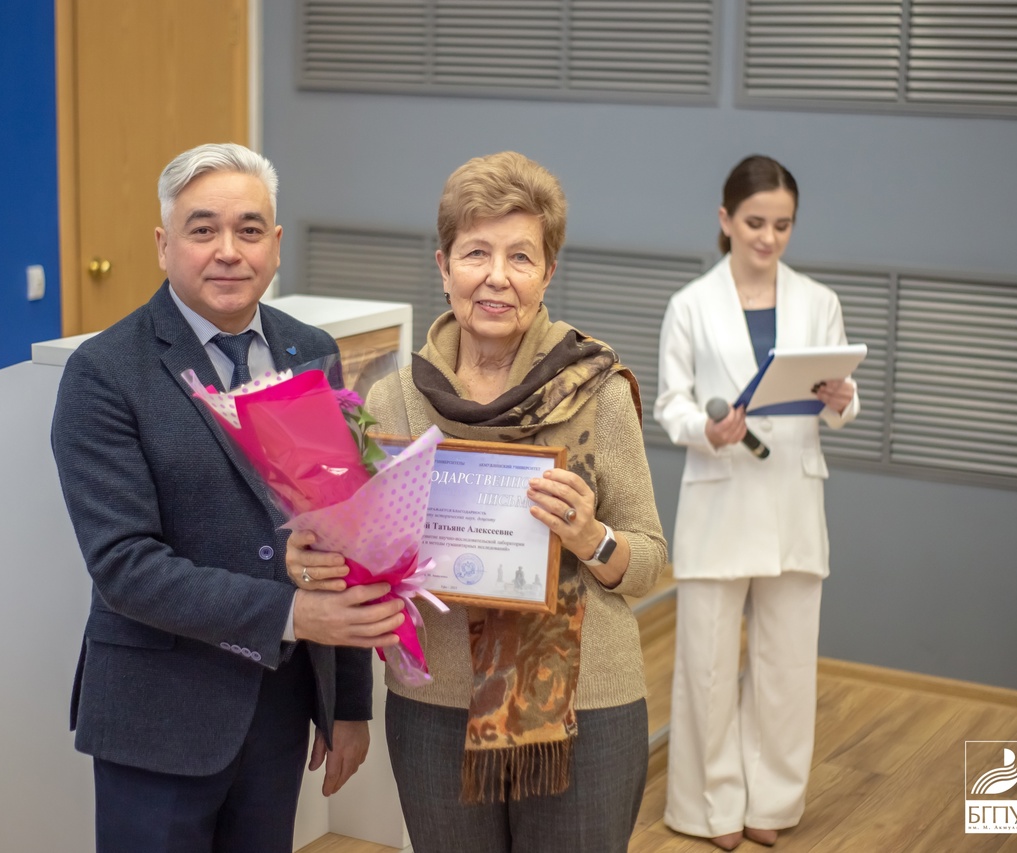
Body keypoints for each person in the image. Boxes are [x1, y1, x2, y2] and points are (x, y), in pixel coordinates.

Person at [287, 151, 668, 852]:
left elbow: (647, 561)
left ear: (547, 273)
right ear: (444, 266)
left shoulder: (600, 391)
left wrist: (591, 537)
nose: (497, 276)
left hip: (583, 707)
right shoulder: (393, 399)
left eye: (520, 256)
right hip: (434, 705)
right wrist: (320, 552)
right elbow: (364, 558)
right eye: (476, 253)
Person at [50, 142, 407, 853]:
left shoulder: (310, 350)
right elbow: (124, 565)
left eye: (248, 230)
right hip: (160, 713)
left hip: (280, 705)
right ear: (164, 245)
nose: (228, 251)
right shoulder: (105, 373)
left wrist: (348, 704)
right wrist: (291, 611)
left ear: (275, 244)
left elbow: (345, 528)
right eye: (203, 229)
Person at [655, 154, 859, 850]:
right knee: (707, 668)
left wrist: (842, 397)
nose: (768, 237)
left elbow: (840, 401)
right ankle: (709, 807)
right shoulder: (690, 304)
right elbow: (671, 404)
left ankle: (772, 800)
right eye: (754, 223)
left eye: (782, 225)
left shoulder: (819, 302)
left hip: (793, 500)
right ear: (725, 219)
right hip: (721, 498)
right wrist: (706, 430)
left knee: (786, 668)